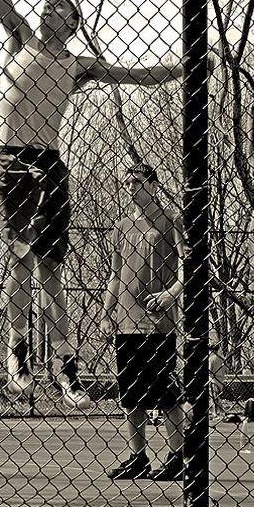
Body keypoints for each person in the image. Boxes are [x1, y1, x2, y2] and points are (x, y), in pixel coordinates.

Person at [0, 0, 185, 409]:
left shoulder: (77, 65)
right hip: (11, 160)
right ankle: (18, 350)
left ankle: (67, 364)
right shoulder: (20, 39)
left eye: (64, 9)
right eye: (50, 5)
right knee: (21, 264)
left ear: (72, 25)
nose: (53, 9)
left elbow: (136, 75)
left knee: (51, 270)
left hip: (50, 163)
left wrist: (184, 67)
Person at [100, 164, 187, 481]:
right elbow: (115, 274)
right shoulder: (122, 226)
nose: (131, 187)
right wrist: (107, 311)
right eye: (127, 183)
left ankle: (178, 456)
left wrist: (171, 294)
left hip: (157, 323)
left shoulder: (171, 221)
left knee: (165, 394)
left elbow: (187, 268)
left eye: (137, 182)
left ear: (152, 185)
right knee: (131, 396)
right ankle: (138, 457)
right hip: (126, 323)